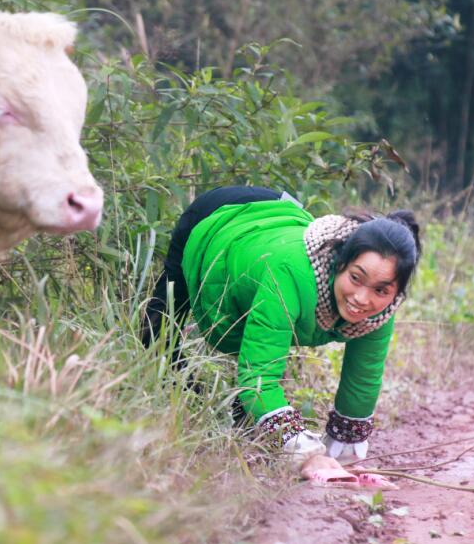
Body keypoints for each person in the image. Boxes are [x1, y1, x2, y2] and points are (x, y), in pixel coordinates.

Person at [141, 185, 421, 460]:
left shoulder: (381, 308)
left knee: (268, 340)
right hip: (218, 215)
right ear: (340, 263)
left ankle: (244, 418)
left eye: (381, 290)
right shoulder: (288, 273)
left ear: (396, 292)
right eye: (355, 278)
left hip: (277, 225)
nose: (362, 298)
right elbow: (259, 375)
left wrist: (346, 439)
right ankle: (168, 395)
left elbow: (364, 373)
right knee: (162, 326)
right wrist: (293, 441)